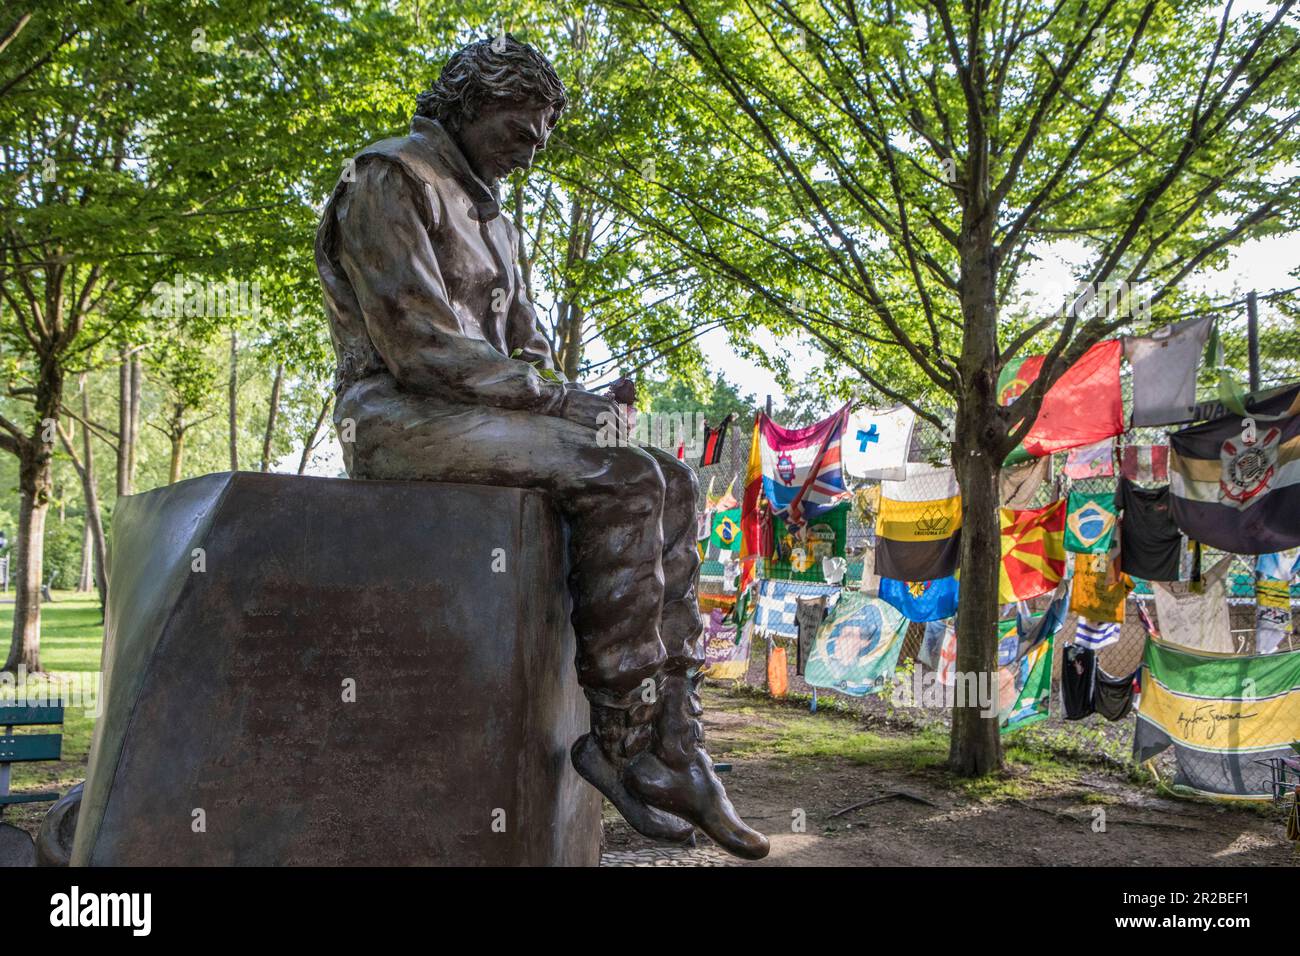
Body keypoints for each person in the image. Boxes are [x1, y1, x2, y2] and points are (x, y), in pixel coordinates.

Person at [314, 34, 768, 859]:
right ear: (469, 105)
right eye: (519, 133)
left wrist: (583, 392)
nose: (529, 154)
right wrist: (559, 398)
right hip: (395, 417)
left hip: (476, 414)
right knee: (622, 478)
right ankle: (623, 742)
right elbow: (421, 347)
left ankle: (677, 734)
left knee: (669, 475)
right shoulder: (388, 178)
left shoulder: (499, 220)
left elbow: (523, 354)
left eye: (540, 141)